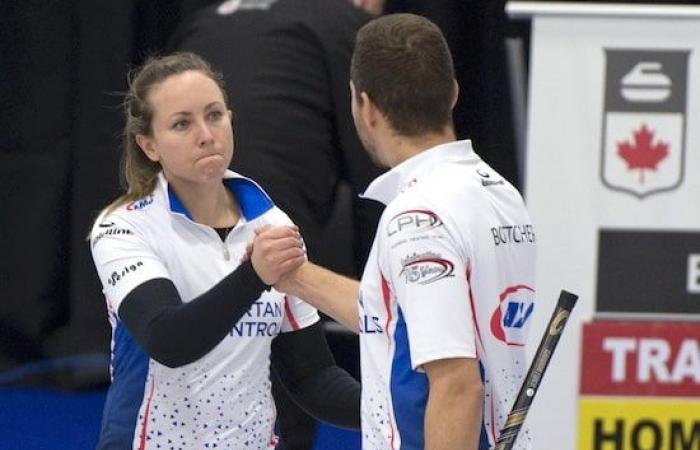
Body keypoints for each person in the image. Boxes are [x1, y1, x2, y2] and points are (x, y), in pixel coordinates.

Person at [273, 13, 536, 450]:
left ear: (366, 106)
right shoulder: (498, 191)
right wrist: (297, 277)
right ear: (452, 93)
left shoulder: (418, 217)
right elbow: (398, 319)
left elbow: (456, 383)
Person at [89, 52, 359, 449]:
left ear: (231, 119)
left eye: (214, 115)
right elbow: (169, 341)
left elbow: (311, 377)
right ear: (148, 145)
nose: (206, 134)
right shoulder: (124, 227)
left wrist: (399, 406)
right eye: (182, 123)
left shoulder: (273, 224)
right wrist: (254, 276)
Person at [167, 2, 386, 447]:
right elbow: (374, 177)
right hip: (273, 229)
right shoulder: (348, 26)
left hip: (172, 221)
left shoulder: (206, 18)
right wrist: (380, 304)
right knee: (289, 394)